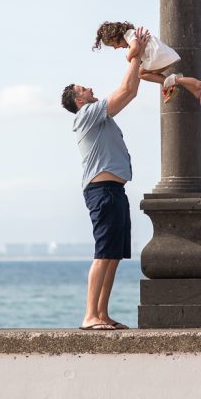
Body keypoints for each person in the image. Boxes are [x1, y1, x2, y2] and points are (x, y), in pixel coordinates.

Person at [62, 27, 150, 331]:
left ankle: (102, 314)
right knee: (103, 254)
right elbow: (125, 91)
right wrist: (134, 53)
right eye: (84, 88)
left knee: (113, 255)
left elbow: (132, 91)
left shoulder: (101, 117)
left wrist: (137, 59)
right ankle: (90, 316)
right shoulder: (85, 115)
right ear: (78, 99)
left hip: (113, 191)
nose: (90, 89)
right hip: (102, 191)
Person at [92, 21, 180, 87]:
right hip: (164, 55)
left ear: (116, 37)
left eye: (113, 45)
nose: (115, 48)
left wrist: (128, 57)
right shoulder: (132, 35)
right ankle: (168, 82)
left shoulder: (128, 34)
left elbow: (135, 47)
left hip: (157, 57)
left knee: (140, 74)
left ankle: (167, 83)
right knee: (147, 72)